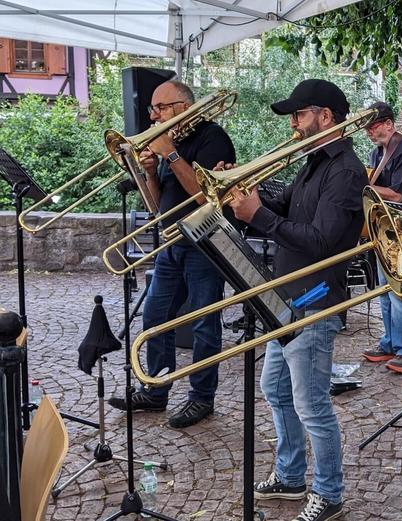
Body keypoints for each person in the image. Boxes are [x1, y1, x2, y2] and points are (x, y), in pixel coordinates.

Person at [227, 79, 366, 521]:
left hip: (315, 294)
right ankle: (290, 477)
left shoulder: (344, 171)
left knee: (311, 403)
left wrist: (259, 216)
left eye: (300, 114)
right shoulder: (312, 163)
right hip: (287, 293)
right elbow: (284, 209)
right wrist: (244, 195)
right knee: (275, 387)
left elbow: (321, 240)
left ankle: (329, 493)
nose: (294, 123)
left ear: (325, 117)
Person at [108, 80, 235, 429]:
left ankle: (201, 398)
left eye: (160, 108)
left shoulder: (212, 138)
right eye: (153, 109)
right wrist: (150, 171)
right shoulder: (169, 143)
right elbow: (156, 204)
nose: (154, 115)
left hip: (204, 244)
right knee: (155, 317)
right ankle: (157, 388)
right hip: (171, 242)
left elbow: (205, 197)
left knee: (203, 324)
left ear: (183, 105)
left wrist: (171, 155)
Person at [360, 101, 402, 374]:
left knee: (399, 293)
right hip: (383, 227)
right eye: (367, 129)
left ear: (388, 123)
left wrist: (362, 185)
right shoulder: (378, 153)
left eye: (372, 126)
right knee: (384, 291)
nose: (369, 132)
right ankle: (389, 342)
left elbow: (398, 195)